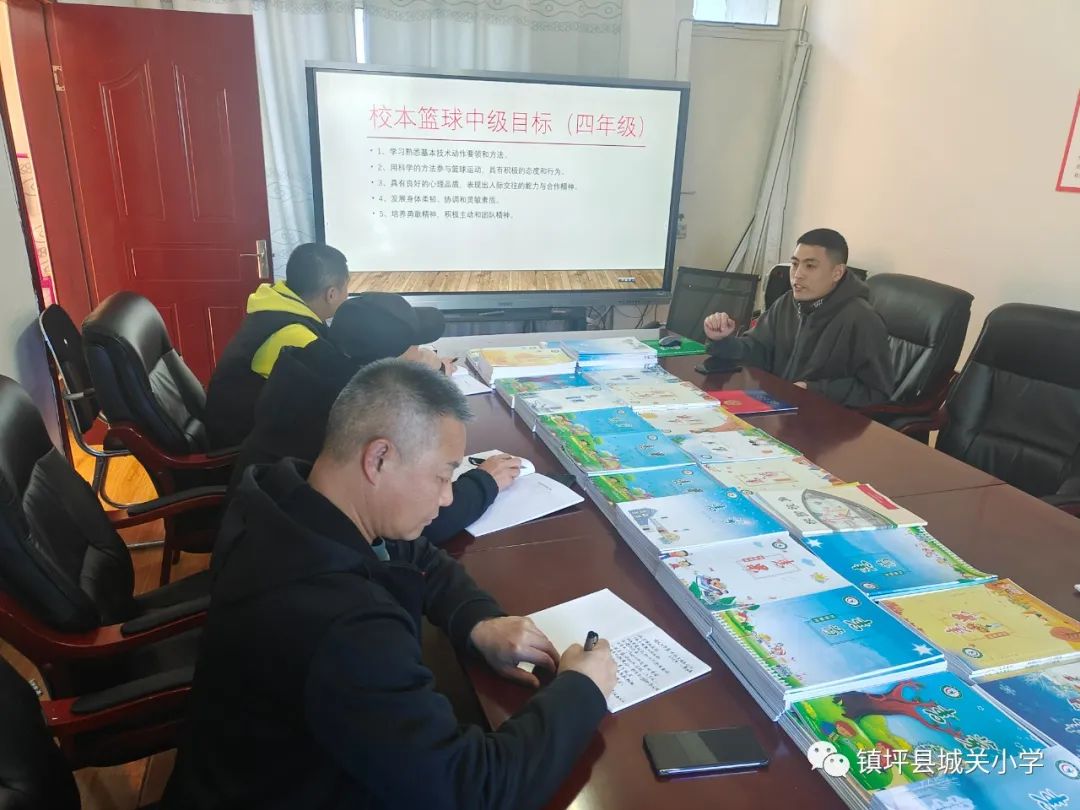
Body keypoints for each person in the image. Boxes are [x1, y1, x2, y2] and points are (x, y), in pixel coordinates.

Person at [163, 359, 617, 809]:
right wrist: (582, 688)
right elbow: (475, 790)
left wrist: (478, 622)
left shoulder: (288, 496)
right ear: (378, 458)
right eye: (443, 476)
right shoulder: (342, 625)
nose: (448, 497)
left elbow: (416, 554)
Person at [227, 292, 519, 544]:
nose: (422, 353)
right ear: (386, 367)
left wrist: (421, 371)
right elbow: (417, 523)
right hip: (291, 546)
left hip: (254, 520)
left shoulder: (313, 365)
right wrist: (484, 482)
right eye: (414, 349)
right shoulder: (352, 414)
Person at [702, 228, 893, 407]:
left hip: (825, 420)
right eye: (795, 264)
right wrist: (722, 340)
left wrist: (814, 390)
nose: (797, 275)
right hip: (780, 408)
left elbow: (877, 392)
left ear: (837, 273)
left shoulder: (862, 318)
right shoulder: (787, 303)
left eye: (810, 266)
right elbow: (758, 350)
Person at [204, 243, 351, 447]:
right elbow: (344, 386)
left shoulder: (276, 304)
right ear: (331, 294)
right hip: (243, 443)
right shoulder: (294, 337)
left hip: (236, 423)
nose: (347, 296)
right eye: (346, 289)